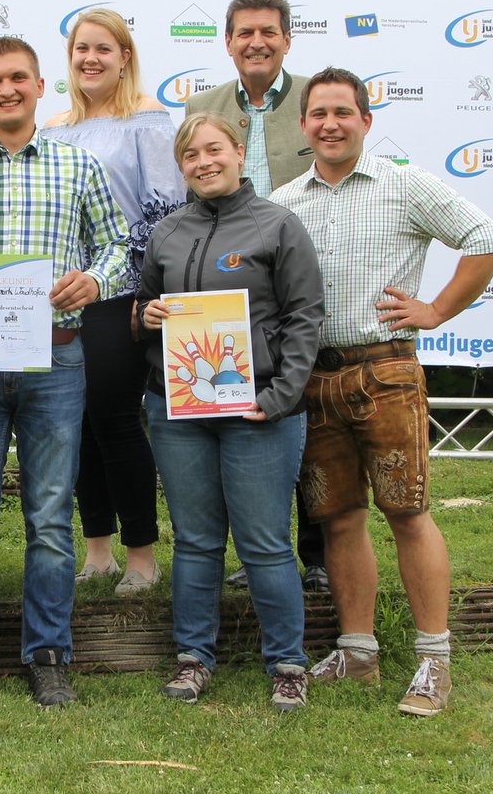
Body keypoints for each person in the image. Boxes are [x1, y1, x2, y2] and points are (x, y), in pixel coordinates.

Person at [271, 67, 493, 718]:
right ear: (303, 125)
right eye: (319, 114)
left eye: (343, 113)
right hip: (316, 379)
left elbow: (487, 240)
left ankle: (434, 660)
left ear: (366, 121)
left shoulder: (405, 185)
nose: (330, 124)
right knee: (338, 517)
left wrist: (437, 310)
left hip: (387, 372)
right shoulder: (286, 203)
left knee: (407, 512)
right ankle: (358, 653)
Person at [0, 36, 129, 707]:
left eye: (17, 78)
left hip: (56, 358)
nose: (6, 90)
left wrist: (95, 280)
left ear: (40, 86)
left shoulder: (79, 166)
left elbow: (118, 243)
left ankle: (48, 654)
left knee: (50, 519)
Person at [136, 114, 324, 711]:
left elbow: (305, 316)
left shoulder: (278, 224)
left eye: (213, 149)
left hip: (258, 410)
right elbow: (145, 307)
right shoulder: (166, 232)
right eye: (190, 155)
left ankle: (288, 663)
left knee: (265, 542)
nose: (203, 162)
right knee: (195, 540)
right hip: (180, 408)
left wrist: (281, 395)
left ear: (239, 153)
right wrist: (145, 317)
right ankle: (193, 657)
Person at [183, 0, 329, 594]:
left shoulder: (316, 99)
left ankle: (317, 558)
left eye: (268, 32)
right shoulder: (203, 105)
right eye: (244, 32)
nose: (257, 42)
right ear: (228, 42)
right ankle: (256, 555)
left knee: (306, 432)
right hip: (228, 293)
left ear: (287, 39)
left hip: (296, 278)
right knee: (243, 427)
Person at [42, 9, 182, 595]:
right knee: (73, 424)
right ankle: (97, 549)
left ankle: (142, 555)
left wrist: (134, 287)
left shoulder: (146, 118)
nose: (91, 59)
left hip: (120, 296)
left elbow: (166, 210)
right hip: (60, 297)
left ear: (125, 57)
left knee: (116, 419)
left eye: (103, 48)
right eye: (82, 49)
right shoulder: (52, 128)